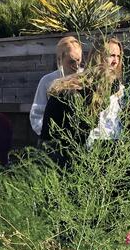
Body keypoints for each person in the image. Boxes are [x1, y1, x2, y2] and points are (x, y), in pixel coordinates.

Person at [40, 37, 124, 166]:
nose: (115, 61)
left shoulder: (119, 90)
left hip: (110, 158)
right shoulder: (76, 90)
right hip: (79, 160)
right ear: (98, 56)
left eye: (118, 56)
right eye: (111, 55)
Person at [30, 36, 83, 136]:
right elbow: (36, 114)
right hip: (55, 142)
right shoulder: (47, 81)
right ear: (60, 59)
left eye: (78, 60)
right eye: (71, 61)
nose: (76, 66)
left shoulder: (85, 80)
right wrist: (49, 134)